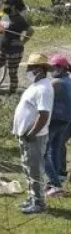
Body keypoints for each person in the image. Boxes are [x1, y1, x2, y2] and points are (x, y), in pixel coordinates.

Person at [13, 53, 54, 214]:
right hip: (26, 134)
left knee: (35, 169)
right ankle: (32, 198)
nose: (28, 70)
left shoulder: (44, 88)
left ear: (40, 69)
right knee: (27, 167)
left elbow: (43, 114)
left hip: (34, 136)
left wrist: (32, 132)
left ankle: (39, 202)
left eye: (30, 68)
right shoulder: (37, 85)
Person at [0, 0, 34, 96]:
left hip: (14, 50)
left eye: (7, 4)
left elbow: (30, 30)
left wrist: (23, 41)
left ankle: (12, 94)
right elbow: (0, 27)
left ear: (14, 7)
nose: (4, 6)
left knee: (12, 72)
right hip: (3, 49)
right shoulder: (5, 15)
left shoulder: (19, 19)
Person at [46, 54, 71, 195]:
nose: (51, 70)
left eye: (53, 67)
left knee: (50, 150)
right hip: (65, 119)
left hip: (57, 120)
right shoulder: (67, 80)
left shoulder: (57, 83)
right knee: (57, 147)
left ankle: (55, 181)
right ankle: (59, 175)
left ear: (61, 68)